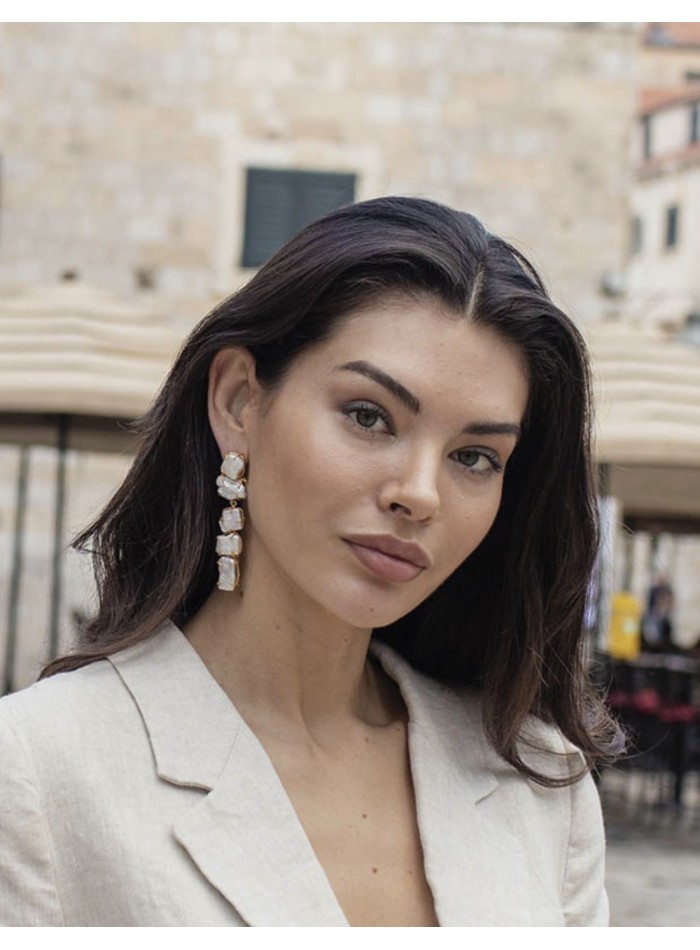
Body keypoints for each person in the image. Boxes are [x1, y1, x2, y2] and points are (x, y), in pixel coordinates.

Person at [0, 196, 618, 926]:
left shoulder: (540, 783)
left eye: (475, 457)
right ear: (238, 402)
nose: (419, 494)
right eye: (368, 416)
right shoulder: (39, 772)